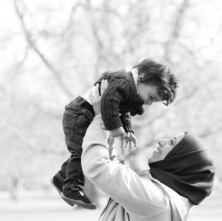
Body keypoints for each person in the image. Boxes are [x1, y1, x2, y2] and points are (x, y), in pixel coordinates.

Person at [81, 82, 216, 221]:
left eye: (171, 143)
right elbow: (113, 171)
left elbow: (97, 166)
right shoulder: (161, 198)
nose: (161, 141)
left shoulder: (155, 200)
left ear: (180, 161)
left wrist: (101, 119)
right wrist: (111, 128)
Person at [51, 58, 178, 208]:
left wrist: (128, 130)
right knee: (81, 153)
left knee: (83, 151)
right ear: (142, 78)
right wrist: (115, 128)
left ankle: (62, 178)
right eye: (150, 97)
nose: (149, 103)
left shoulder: (131, 89)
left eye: (153, 101)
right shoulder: (124, 81)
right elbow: (108, 101)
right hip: (79, 114)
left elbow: (122, 111)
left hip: (85, 115)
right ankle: (72, 188)